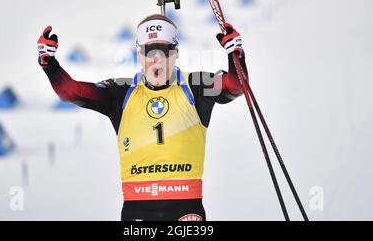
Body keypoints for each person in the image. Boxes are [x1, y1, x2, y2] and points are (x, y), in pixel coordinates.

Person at [37, 13, 248, 221]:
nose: (156, 59)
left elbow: (236, 86)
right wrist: (50, 65)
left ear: (175, 53)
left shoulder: (196, 85)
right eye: (149, 51)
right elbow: (72, 92)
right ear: (139, 55)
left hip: (185, 210)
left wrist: (236, 55)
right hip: (137, 212)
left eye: (164, 50)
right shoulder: (121, 91)